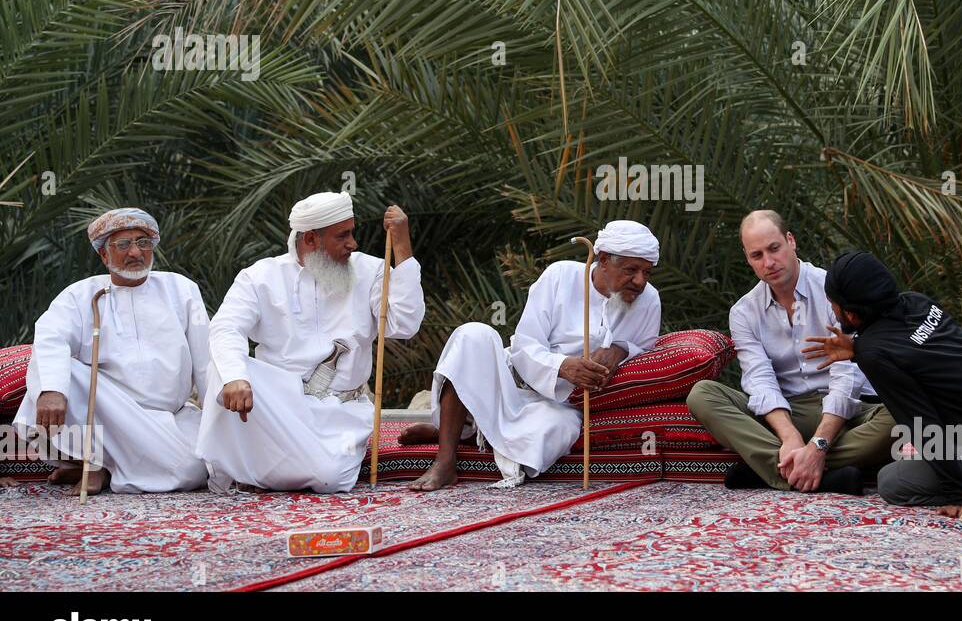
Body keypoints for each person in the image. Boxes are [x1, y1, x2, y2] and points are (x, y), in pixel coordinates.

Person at [401, 220, 661, 491]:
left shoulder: (649, 300)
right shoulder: (560, 276)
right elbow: (526, 344)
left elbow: (647, 350)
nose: (640, 281)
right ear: (604, 260)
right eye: (631, 270)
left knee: (555, 432)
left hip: (558, 404)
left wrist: (621, 349)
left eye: (647, 272)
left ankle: (463, 433)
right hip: (513, 380)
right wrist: (562, 366)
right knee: (472, 335)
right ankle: (445, 460)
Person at [195, 192, 424, 493]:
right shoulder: (260, 277)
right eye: (342, 236)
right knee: (222, 370)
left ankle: (255, 470)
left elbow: (404, 325)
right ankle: (247, 466)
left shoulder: (370, 270)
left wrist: (402, 248)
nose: (352, 244)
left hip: (340, 408)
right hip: (279, 406)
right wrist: (236, 378)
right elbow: (225, 327)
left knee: (330, 478)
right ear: (311, 240)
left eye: (351, 233)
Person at [803, 250, 962, 515]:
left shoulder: (874, 353)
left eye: (832, 304)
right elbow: (911, 347)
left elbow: (921, 423)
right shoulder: (917, 303)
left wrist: (956, 494)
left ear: (852, 314)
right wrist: (858, 347)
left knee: (893, 482)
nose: (833, 312)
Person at [687, 210, 893, 494]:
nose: (769, 262)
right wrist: (790, 436)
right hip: (788, 411)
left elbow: (848, 376)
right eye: (757, 255)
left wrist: (818, 445)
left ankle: (771, 470)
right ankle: (817, 473)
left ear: (791, 241)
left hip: (849, 411)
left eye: (774, 249)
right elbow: (759, 379)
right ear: (748, 259)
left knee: (898, 418)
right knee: (703, 394)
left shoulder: (833, 289)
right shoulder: (744, 312)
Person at [12, 208, 209, 495]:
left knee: (193, 469)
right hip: (105, 409)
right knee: (56, 375)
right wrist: (52, 390)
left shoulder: (181, 289)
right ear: (104, 255)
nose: (135, 253)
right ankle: (90, 461)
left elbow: (206, 360)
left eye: (143, 243)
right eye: (123, 244)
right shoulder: (80, 295)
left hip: (168, 417)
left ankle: (108, 468)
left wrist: (218, 418)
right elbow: (50, 338)